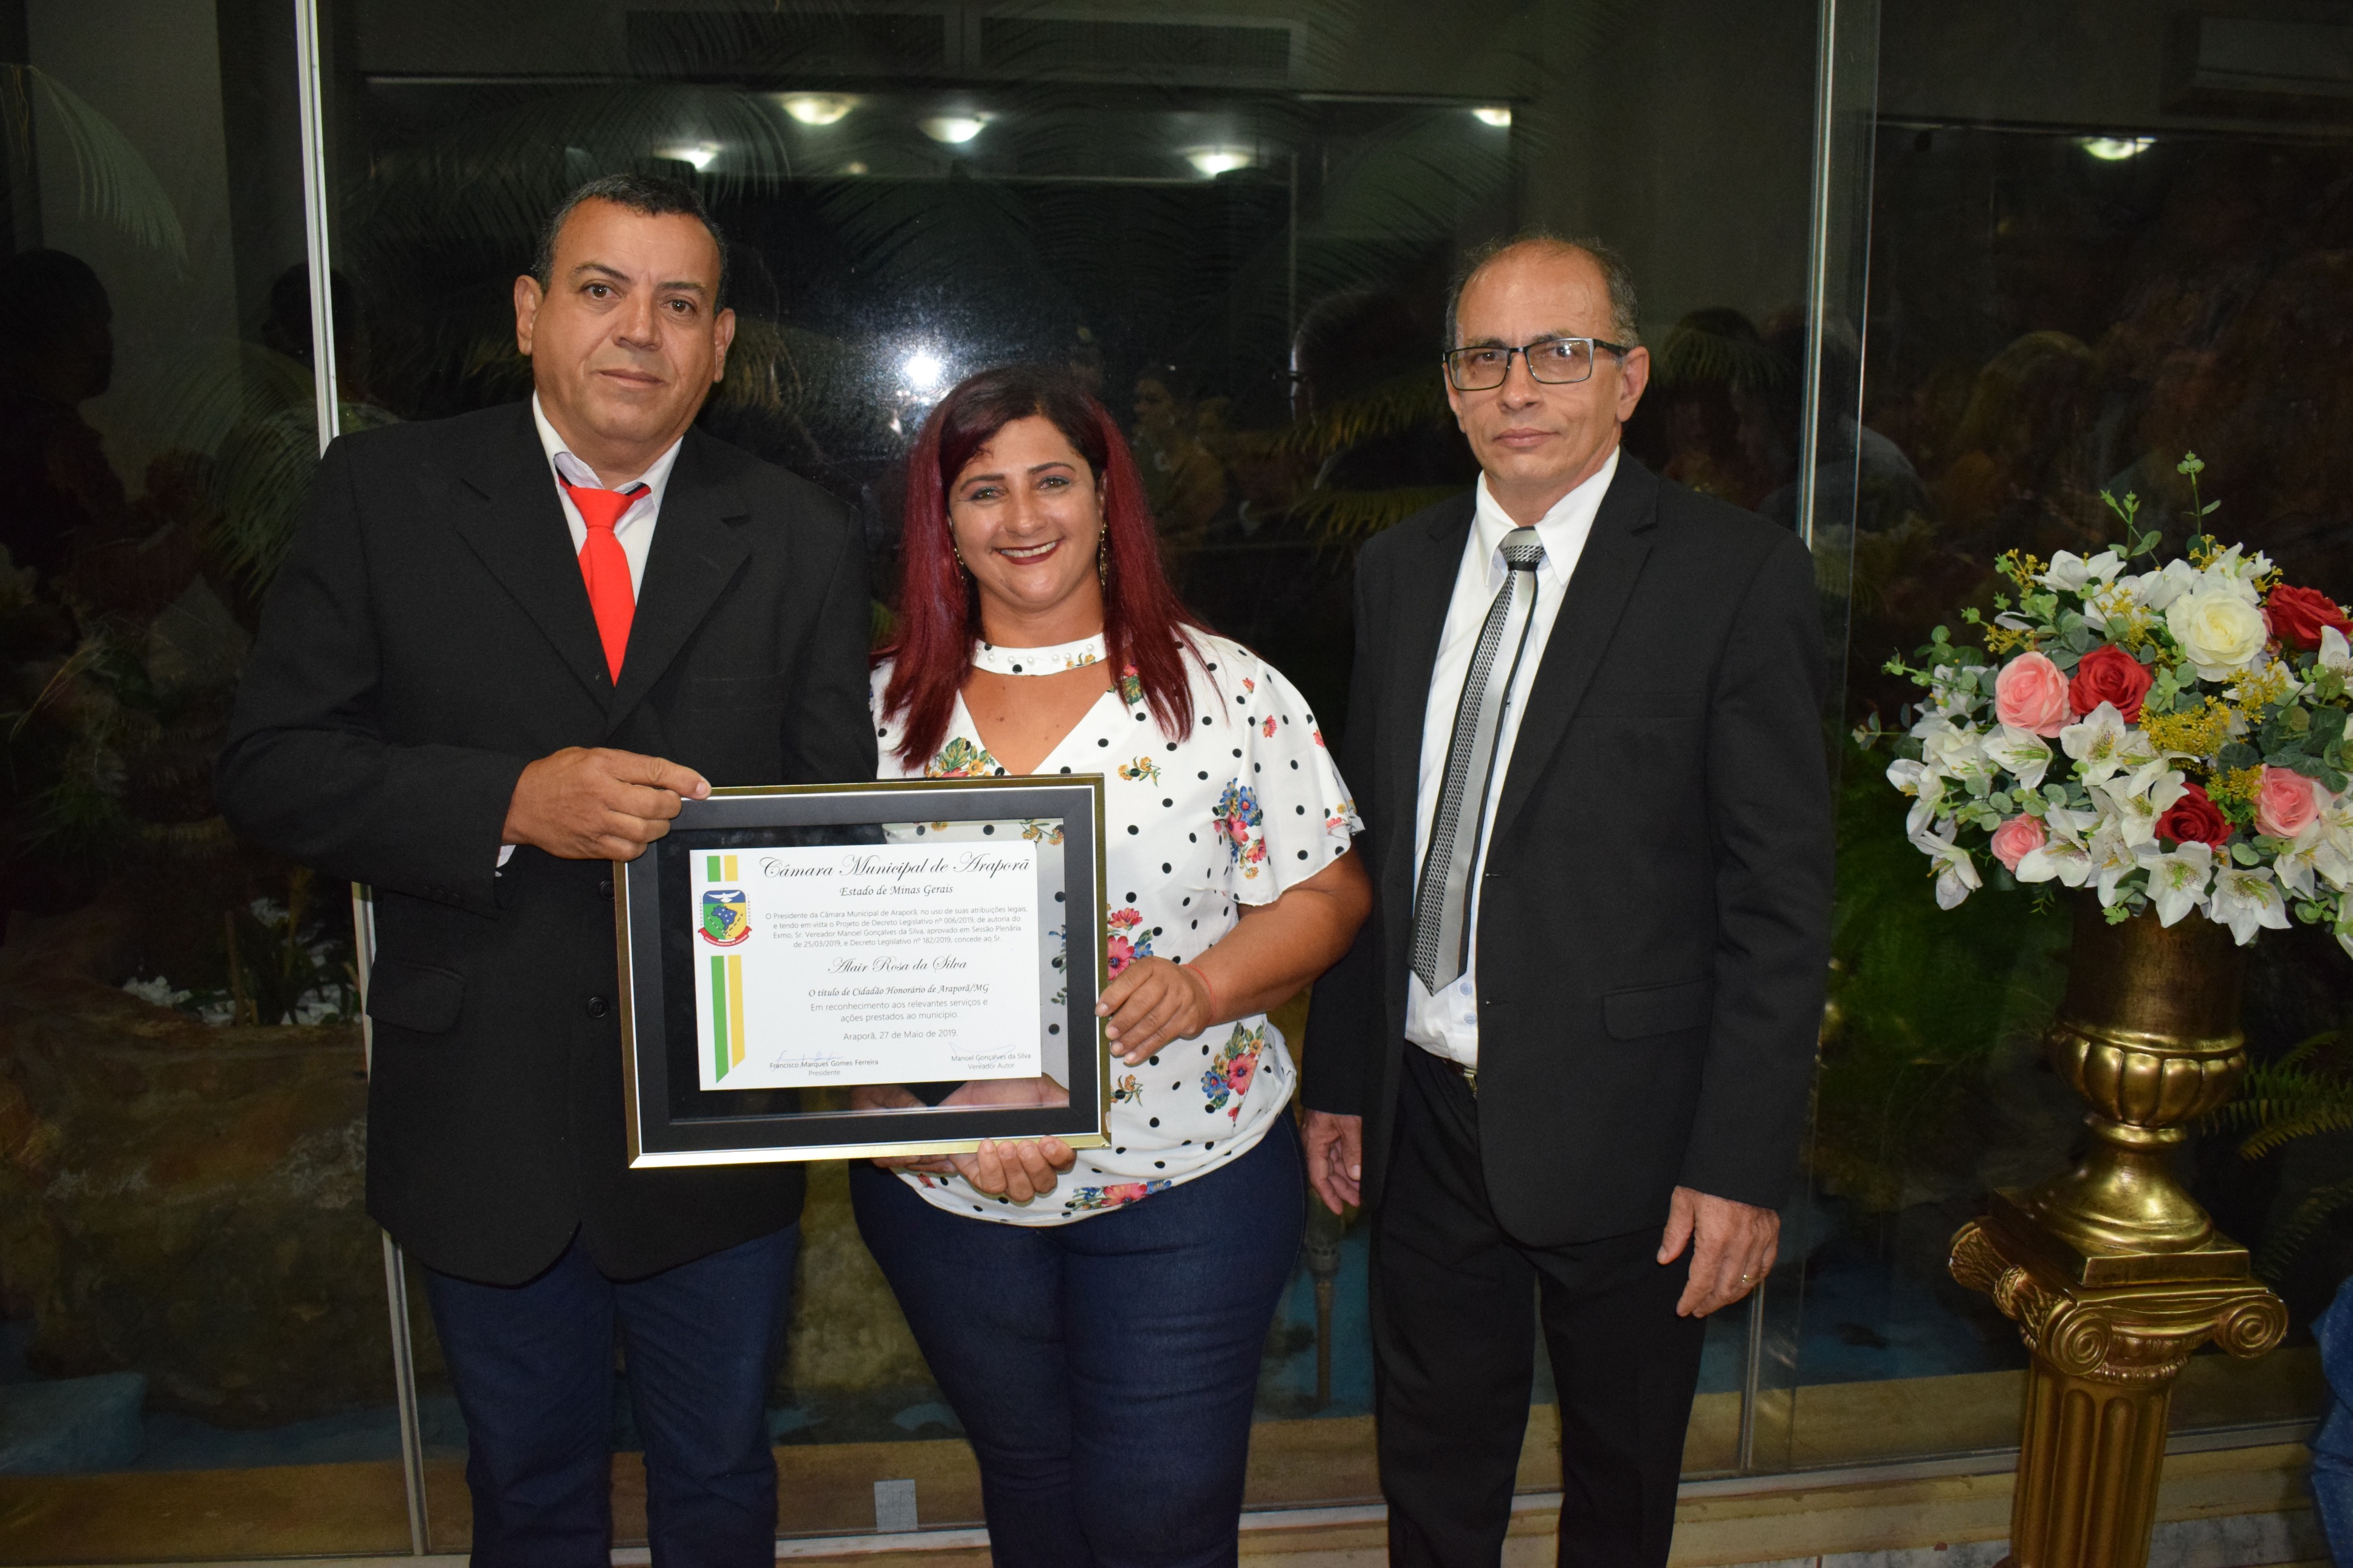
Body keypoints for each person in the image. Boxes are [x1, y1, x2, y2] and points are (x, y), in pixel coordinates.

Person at [215, 174, 874, 1563]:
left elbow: (834, 823)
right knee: (526, 1497)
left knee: (721, 1484)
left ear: (718, 345)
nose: (639, 330)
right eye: (600, 290)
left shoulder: (797, 533)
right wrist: (510, 800)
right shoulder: (385, 496)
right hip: (483, 1114)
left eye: (678, 304)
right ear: (529, 314)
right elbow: (272, 765)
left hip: (713, 1117)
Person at [1299, 234, 1833, 1566]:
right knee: (1432, 1485)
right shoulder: (1398, 570)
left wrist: (1738, 1164)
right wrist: (1345, 1079)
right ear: (1451, 388)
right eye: (1486, 357)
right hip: (1425, 1122)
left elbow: (1778, 899)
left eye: (1559, 352)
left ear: (1628, 379)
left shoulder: (1734, 575)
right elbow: (1376, 844)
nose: (1519, 386)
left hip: (1635, 1136)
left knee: (1619, 1494)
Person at [853, 363, 1371, 1567]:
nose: (1022, 517)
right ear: (942, 523)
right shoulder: (871, 711)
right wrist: (919, 1110)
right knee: (1030, 1489)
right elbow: (817, 957)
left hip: (1189, 1180)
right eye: (983, 490)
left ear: (1104, 499)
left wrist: (1205, 985)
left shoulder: (1228, 691)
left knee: (1160, 1510)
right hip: (949, 1198)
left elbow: (1330, 891)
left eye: (1052, 481)